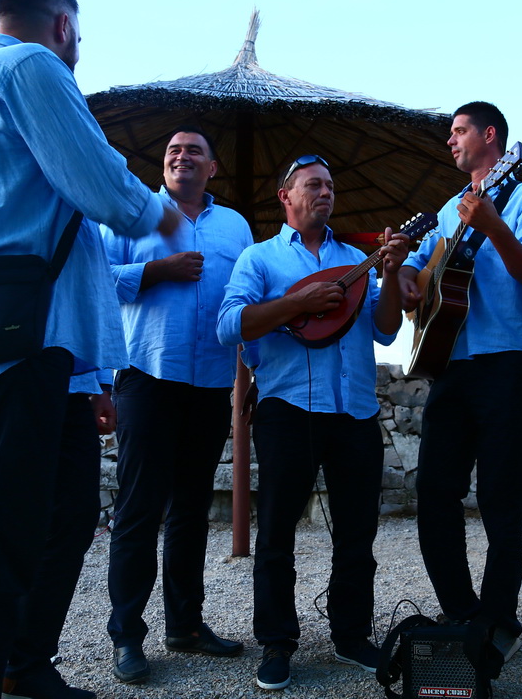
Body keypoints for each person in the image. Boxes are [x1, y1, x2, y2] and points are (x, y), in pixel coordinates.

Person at [0, 0, 177, 699]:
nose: (78, 47)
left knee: (65, 512)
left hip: (36, 348)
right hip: (13, 347)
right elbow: (103, 186)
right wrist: (168, 218)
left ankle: (21, 664)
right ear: (61, 26)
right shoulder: (30, 67)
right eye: (78, 36)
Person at [216, 154, 409, 692]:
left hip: (354, 411)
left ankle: (351, 634)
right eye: (313, 185)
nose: (325, 192)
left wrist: (390, 273)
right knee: (277, 535)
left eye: (329, 185)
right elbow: (229, 324)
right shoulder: (260, 259)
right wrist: (294, 303)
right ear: (286, 195)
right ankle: (277, 643)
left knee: (358, 534)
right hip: (287, 410)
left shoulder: (357, 259)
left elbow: (388, 329)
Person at [398, 101, 522, 665]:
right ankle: (461, 610)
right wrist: (412, 281)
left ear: (491, 136)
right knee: (435, 490)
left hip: (508, 362)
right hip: (451, 362)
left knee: (498, 494)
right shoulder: (446, 208)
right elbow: (418, 265)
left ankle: (499, 618)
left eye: (459, 131)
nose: (450, 141)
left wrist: (493, 226)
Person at [100, 126, 253, 684]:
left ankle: (186, 625)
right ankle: (127, 637)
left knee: (192, 510)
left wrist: (255, 365)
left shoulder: (235, 226)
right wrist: (154, 272)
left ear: (212, 167)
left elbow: (246, 297)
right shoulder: (132, 213)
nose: (181, 156)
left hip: (212, 381)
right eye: (172, 151)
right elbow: (96, 278)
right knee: (139, 510)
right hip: (146, 374)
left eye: (193, 151)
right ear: (164, 167)